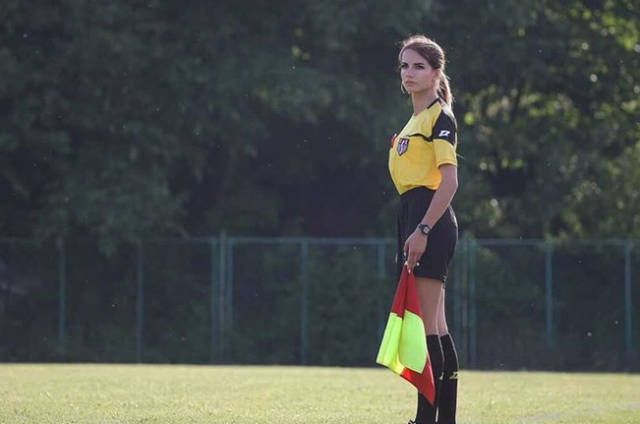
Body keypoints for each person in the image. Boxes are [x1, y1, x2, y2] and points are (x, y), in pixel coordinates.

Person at [388, 34, 460, 424]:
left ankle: (425, 419)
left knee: (425, 326)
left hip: (428, 218)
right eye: (404, 65)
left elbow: (449, 182)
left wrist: (424, 230)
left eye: (418, 66)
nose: (409, 72)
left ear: (436, 73)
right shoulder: (414, 121)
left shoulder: (439, 117)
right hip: (414, 216)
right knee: (436, 325)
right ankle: (443, 419)